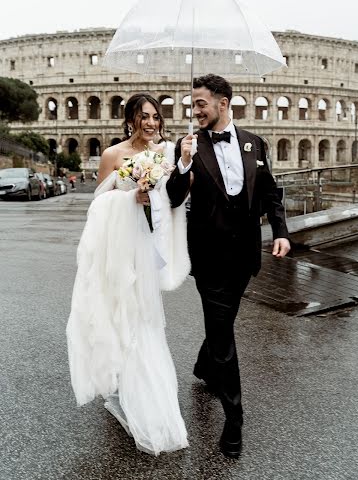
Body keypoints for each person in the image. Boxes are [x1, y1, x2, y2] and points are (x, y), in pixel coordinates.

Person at [166, 74, 291, 458]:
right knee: (223, 334)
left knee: (223, 325)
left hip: (244, 256)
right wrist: (184, 164)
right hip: (208, 256)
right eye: (192, 104)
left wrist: (281, 231)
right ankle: (234, 419)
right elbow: (172, 197)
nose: (194, 110)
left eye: (200, 103)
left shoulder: (255, 142)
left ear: (223, 103)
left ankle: (205, 366)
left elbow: (269, 191)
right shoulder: (186, 145)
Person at [66, 93, 190, 456]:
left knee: (143, 319)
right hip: (119, 247)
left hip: (149, 245)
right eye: (143, 116)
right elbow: (99, 205)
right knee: (119, 314)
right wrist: (131, 197)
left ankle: (145, 394)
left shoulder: (166, 153)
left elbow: (178, 196)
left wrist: (181, 164)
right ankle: (124, 386)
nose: (151, 123)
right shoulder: (112, 155)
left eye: (155, 116)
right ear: (130, 119)